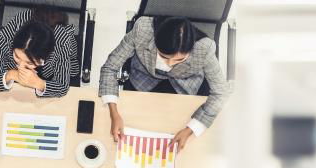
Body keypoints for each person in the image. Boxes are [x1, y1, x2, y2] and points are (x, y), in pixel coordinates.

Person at [99, 16, 231, 151]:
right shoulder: (142, 30)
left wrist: (191, 129)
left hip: (183, 86)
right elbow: (110, 67)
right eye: (164, 57)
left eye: (179, 59)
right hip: (143, 80)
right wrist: (113, 113)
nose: (170, 64)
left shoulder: (204, 48)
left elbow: (221, 92)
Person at [0, 7, 80, 98]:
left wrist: (38, 83)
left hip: (50, 74)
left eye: (29, 62)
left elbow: (62, 86)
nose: (21, 66)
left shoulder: (62, 41)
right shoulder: (9, 34)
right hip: (12, 81)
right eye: (17, 56)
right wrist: (12, 74)